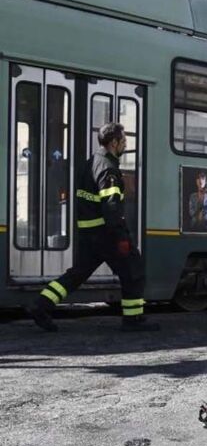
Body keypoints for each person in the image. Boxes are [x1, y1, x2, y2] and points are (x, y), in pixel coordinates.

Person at [27, 123, 159, 332]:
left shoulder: (92, 163)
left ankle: (41, 305)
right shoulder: (108, 168)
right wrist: (121, 237)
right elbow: (111, 206)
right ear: (114, 143)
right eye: (124, 141)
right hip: (106, 234)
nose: (125, 145)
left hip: (89, 233)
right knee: (134, 271)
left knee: (77, 274)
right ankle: (133, 319)